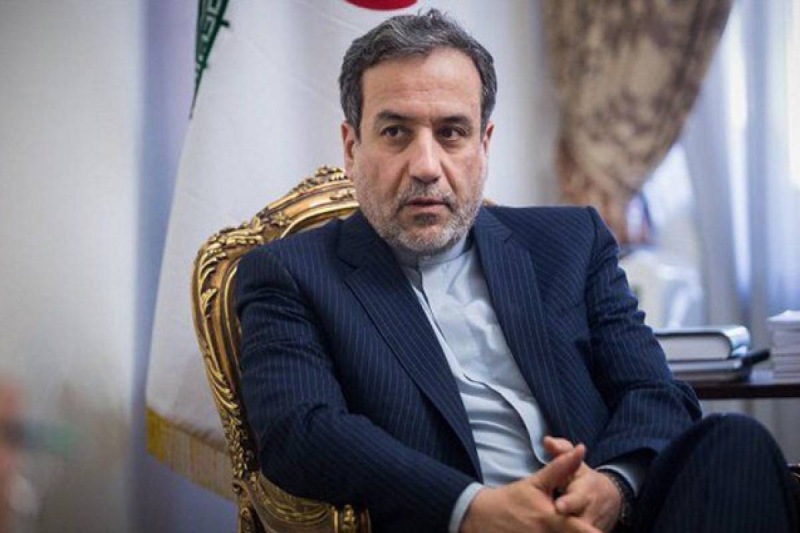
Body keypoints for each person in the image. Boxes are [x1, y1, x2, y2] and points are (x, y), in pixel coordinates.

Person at [236, 9, 799, 533]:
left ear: (484, 144)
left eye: (451, 132)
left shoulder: (570, 241)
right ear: (351, 146)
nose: (427, 166)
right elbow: (301, 433)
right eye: (395, 132)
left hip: (613, 519)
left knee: (737, 442)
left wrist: (611, 486)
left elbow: (655, 391)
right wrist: (472, 508)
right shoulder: (290, 275)